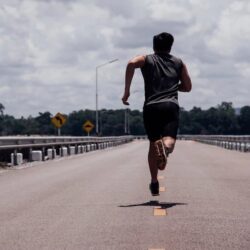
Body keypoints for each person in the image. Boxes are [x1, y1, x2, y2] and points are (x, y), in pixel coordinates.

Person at [122, 32, 192, 196]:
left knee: (153, 144)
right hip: (170, 106)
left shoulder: (146, 59)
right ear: (171, 46)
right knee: (169, 140)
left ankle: (154, 181)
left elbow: (131, 63)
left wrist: (127, 92)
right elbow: (188, 87)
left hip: (151, 107)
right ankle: (166, 150)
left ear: (154, 46)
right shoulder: (178, 62)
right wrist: (175, 87)